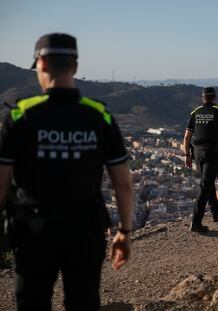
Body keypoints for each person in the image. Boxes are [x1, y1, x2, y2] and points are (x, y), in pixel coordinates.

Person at [0, 33, 133, 310]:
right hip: (85, 229)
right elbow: (123, 183)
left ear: (42, 63)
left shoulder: (19, 116)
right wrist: (124, 231)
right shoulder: (99, 115)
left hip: (33, 231)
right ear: (75, 66)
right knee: (83, 301)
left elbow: (1, 184)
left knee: (32, 303)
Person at [183, 87, 218, 233]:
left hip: (197, 153)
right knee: (206, 184)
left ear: (202, 98)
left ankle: (215, 212)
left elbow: (186, 137)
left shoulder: (195, 112)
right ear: (214, 97)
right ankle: (196, 223)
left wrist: (187, 155)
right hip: (212, 152)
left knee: (207, 181)